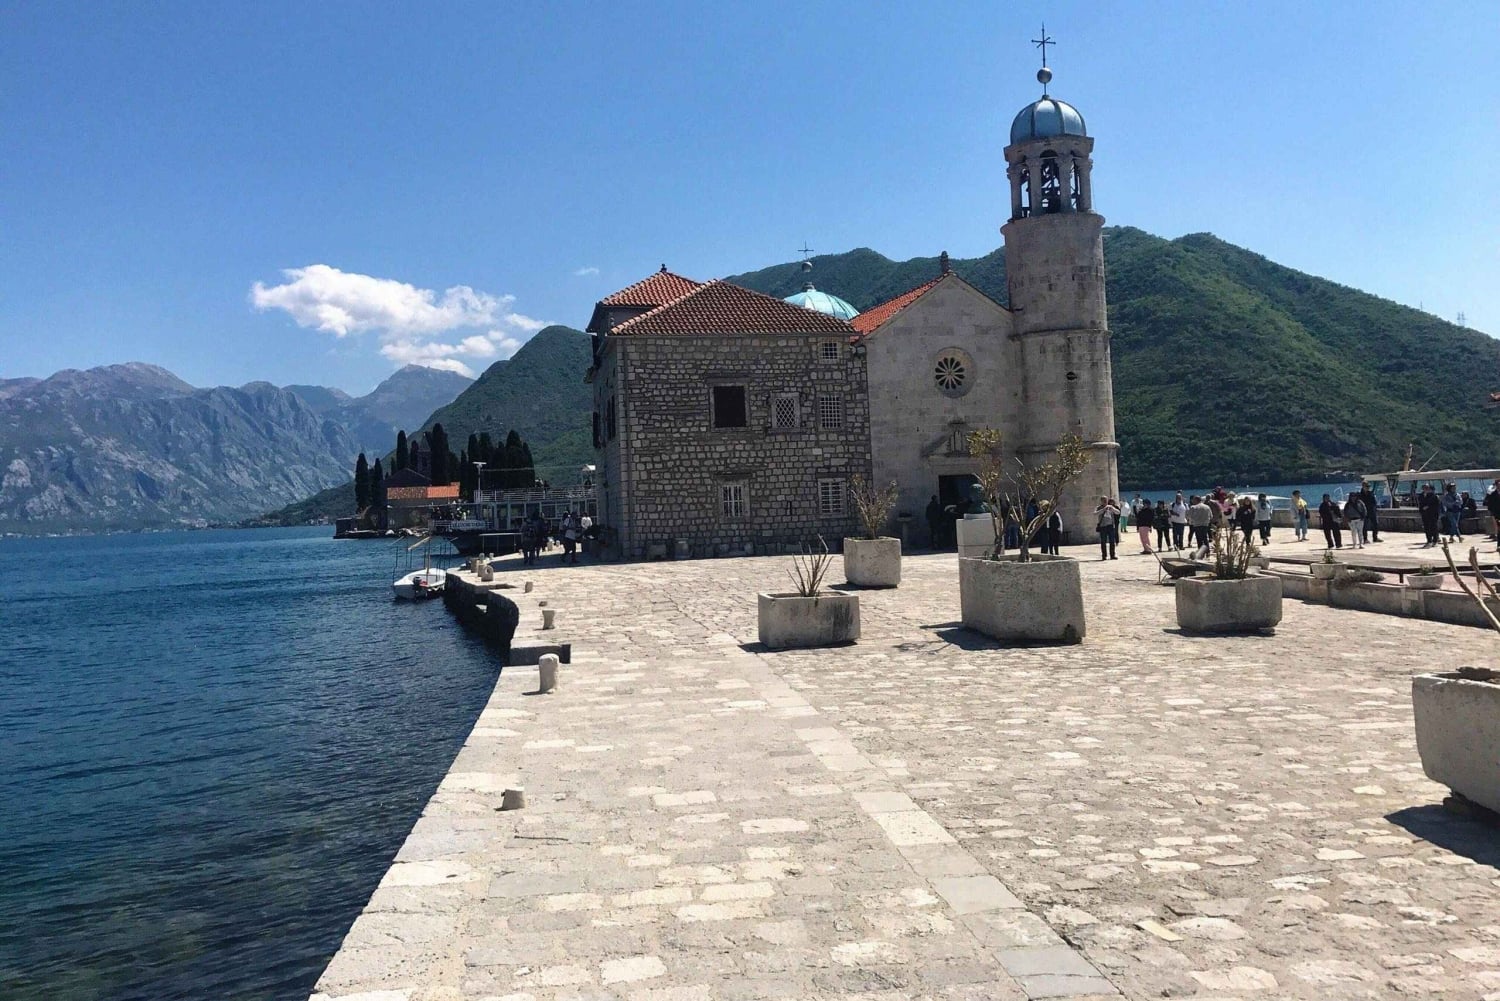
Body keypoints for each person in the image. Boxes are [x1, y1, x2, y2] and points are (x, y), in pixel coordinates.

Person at [1094, 496, 1120, 560]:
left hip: (1110, 526)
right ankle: (1104, 555)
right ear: (1101, 501)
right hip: (1103, 526)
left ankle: (1112, 555)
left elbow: (1118, 512)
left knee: (1112, 541)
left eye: (1106, 500)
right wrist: (1103, 510)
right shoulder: (1098, 507)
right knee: (1103, 542)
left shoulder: (1110, 507)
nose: (1105, 501)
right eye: (1103, 500)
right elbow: (1095, 514)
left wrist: (1112, 509)